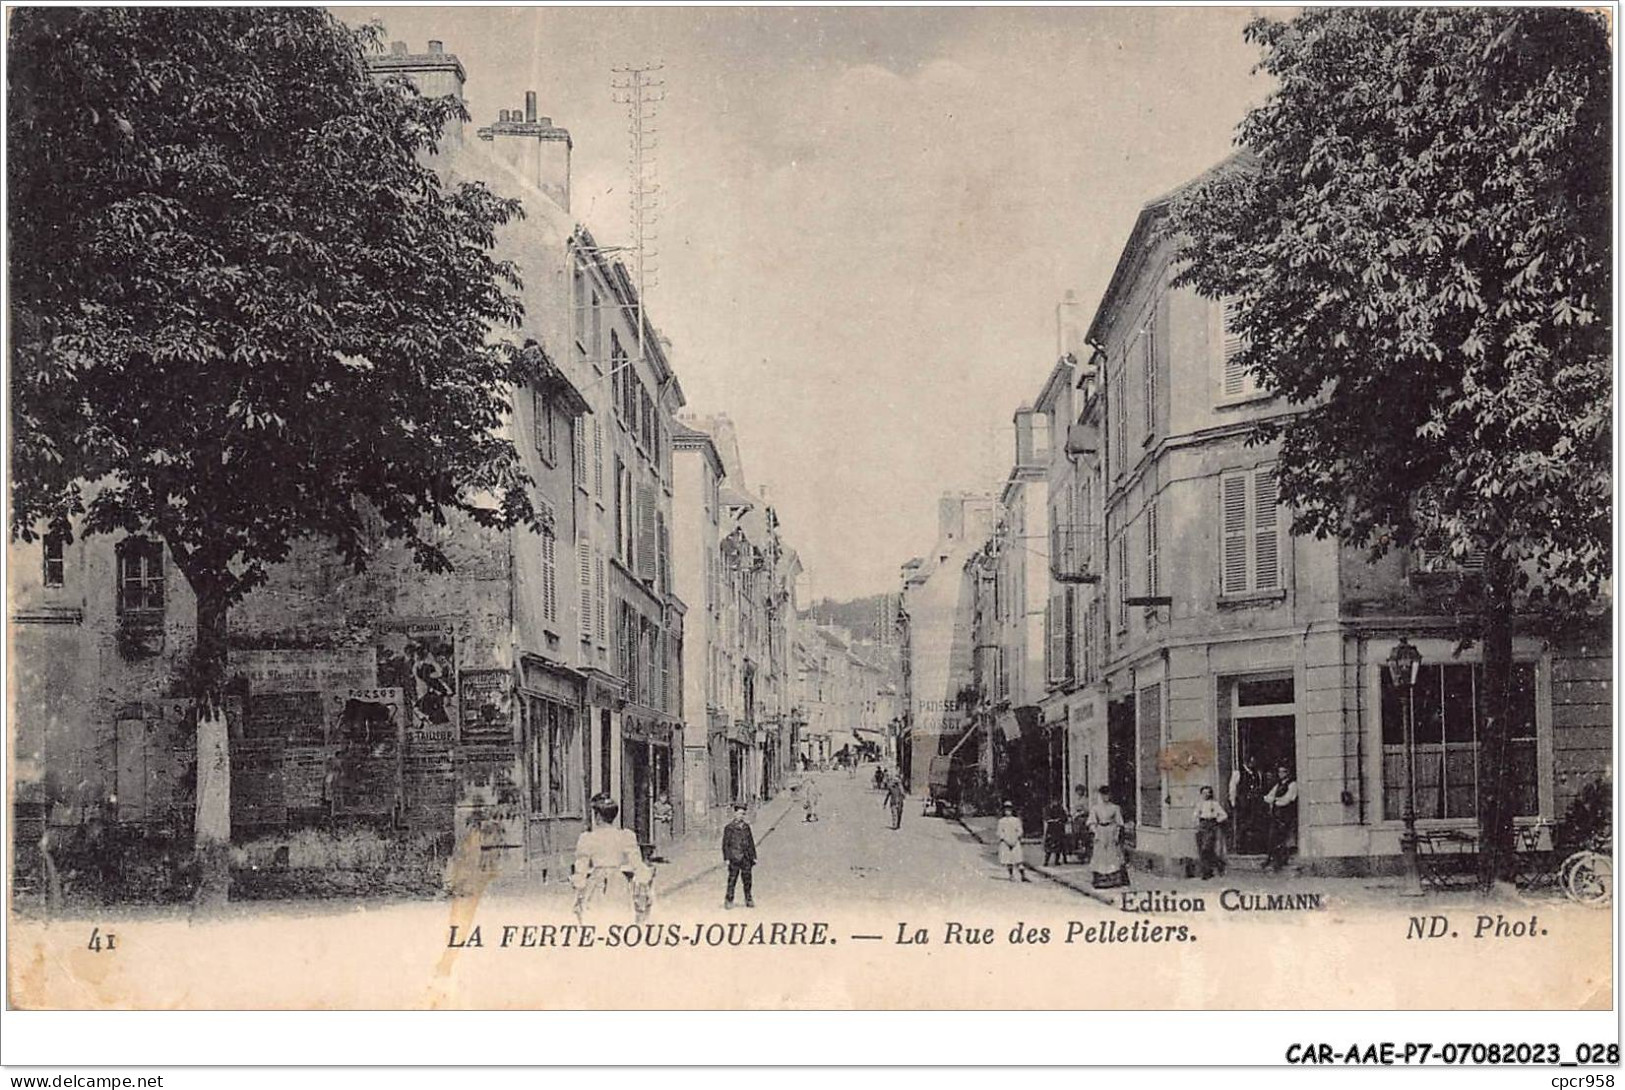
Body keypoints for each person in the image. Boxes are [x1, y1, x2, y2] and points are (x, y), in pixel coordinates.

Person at [572, 795, 653, 923]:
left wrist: (579, 892)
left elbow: (581, 868)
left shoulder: (588, 838)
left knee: (595, 919)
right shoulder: (625, 836)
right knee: (619, 918)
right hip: (618, 883)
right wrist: (645, 883)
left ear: (598, 816)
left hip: (596, 883)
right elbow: (637, 863)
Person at [1088, 786, 1130, 889]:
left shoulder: (1115, 808)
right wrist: (1095, 832)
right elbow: (1091, 822)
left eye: (1107, 795)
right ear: (1100, 795)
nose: (1105, 797)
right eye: (1103, 795)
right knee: (1100, 854)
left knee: (1112, 854)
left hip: (1111, 830)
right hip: (1100, 831)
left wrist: (1116, 835)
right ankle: (1100, 879)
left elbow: (1119, 823)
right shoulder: (1096, 808)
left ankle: (1114, 879)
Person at [1229, 752, 1267, 856]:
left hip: (1255, 803)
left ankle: (1254, 848)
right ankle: (1241, 847)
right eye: (1251, 761)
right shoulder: (1238, 773)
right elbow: (1233, 788)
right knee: (1243, 825)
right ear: (1247, 761)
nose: (1253, 763)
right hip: (1243, 803)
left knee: (1255, 824)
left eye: (1254, 761)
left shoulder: (1257, 773)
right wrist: (1233, 801)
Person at [1262, 764, 1299, 871]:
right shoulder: (1277, 785)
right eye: (1279, 772)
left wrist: (1275, 800)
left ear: (1288, 773)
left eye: (1283, 772)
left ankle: (1280, 861)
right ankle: (1270, 859)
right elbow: (1268, 797)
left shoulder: (1292, 785)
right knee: (1272, 837)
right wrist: (1275, 799)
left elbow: (1287, 800)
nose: (1281, 774)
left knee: (1282, 838)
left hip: (1286, 815)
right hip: (1276, 815)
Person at [721, 803, 757, 909]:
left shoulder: (746, 827)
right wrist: (727, 858)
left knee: (747, 880)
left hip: (746, 857)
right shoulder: (729, 828)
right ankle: (729, 899)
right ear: (735, 814)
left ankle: (748, 899)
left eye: (743, 814)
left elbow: (751, 842)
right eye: (739, 813)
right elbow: (725, 844)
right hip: (734, 857)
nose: (741, 816)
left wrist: (754, 856)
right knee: (732, 880)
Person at [1193, 785, 1229, 880]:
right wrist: (1197, 825)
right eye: (1203, 793)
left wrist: (1216, 821)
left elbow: (1224, 815)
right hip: (1202, 826)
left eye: (1207, 792)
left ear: (1210, 794)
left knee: (1206, 848)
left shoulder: (1214, 804)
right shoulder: (1199, 804)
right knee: (1202, 850)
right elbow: (1195, 816)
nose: (1206, 794)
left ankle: (1217, 864)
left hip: (1211, 826)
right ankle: (1207, 871)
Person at [999, 803, 1031, 881]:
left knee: (1018, 860)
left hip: (1015, 841)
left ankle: (1023, 876)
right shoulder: (1001, 821)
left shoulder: (1016, 820)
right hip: (1006, 842)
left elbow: (1020, 830)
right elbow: (1000, 832)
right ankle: (1011, 875)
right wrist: (1005, 840)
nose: (1007, 812)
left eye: (1009, 810)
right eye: (1006, 810)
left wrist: (1016, 838)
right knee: (1009, 860)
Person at [1042, 802, 1070, 867]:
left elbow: (1065, 818)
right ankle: (1046, 861)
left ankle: (1057, 861)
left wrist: (1060, 820)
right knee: (1049, 846)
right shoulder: (1047, 808)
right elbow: (1046, 818)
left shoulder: (1061, 809)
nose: (1055, 803)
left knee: (1060, 845)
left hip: (1059, 829)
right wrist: (1052, 820)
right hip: (1051, 830)